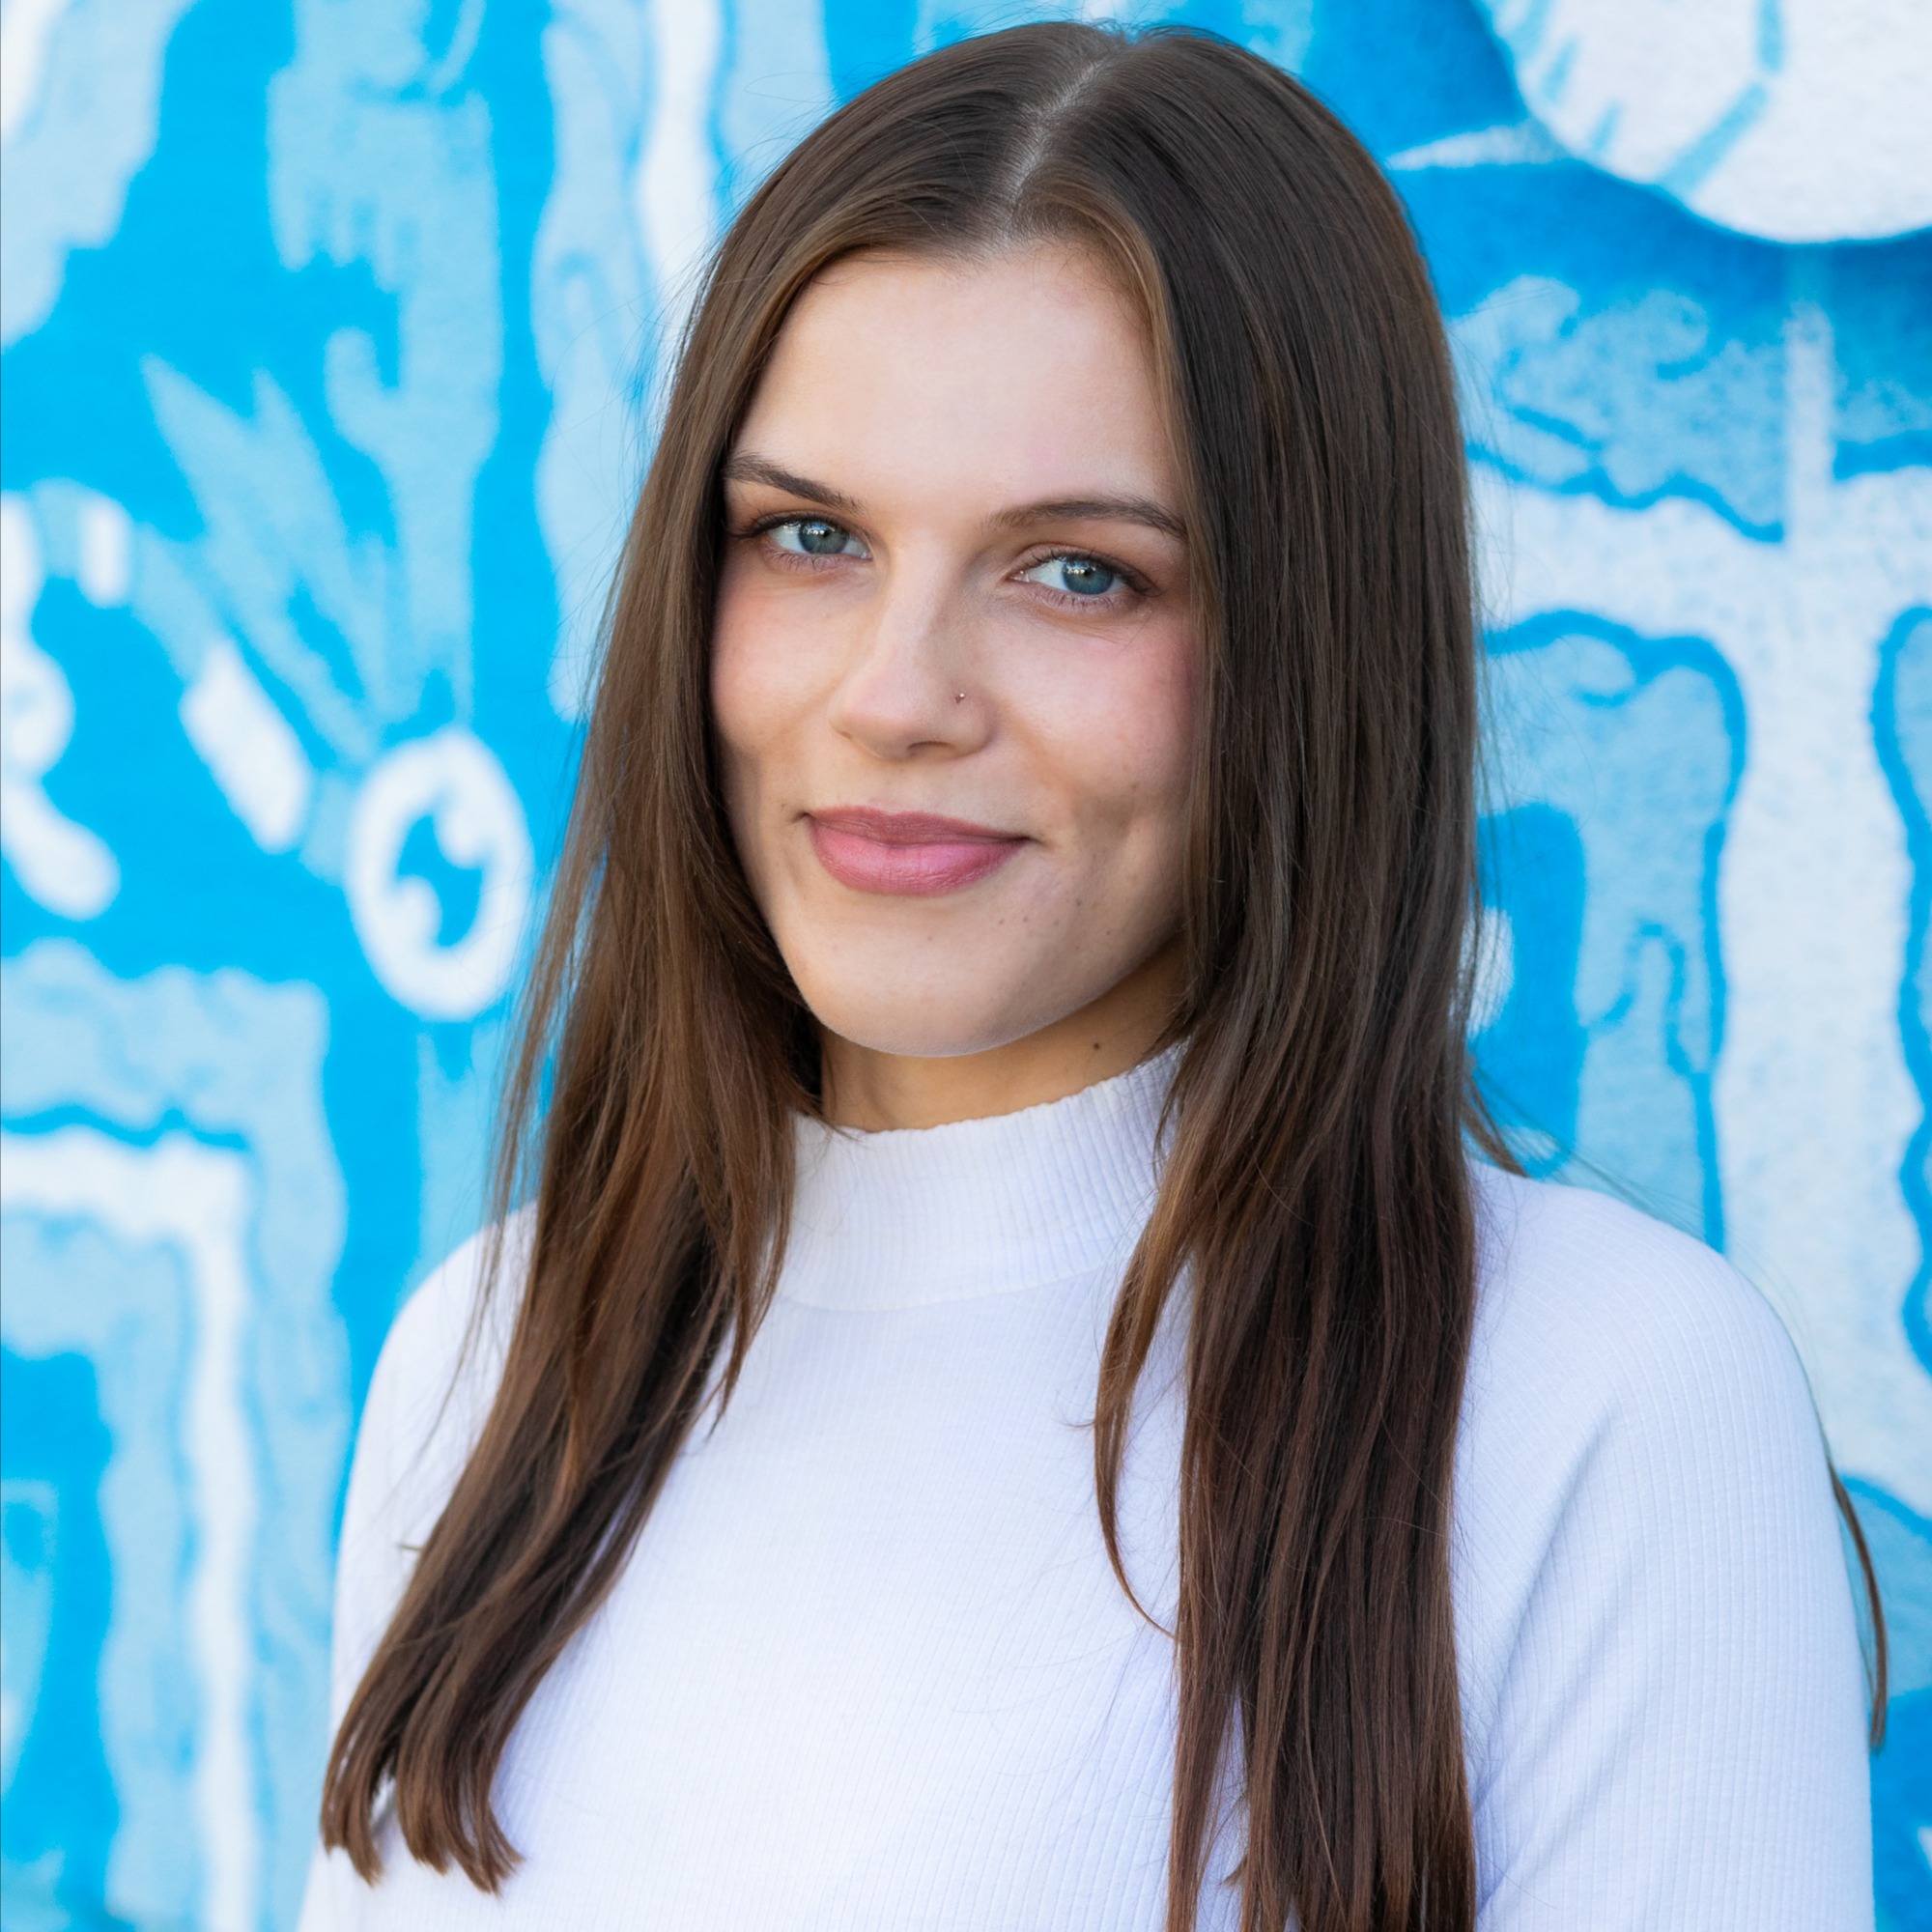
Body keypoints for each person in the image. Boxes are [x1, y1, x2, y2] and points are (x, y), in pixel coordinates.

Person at [299, 22, 1878, 1932]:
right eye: (808, 537)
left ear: (1302, 643)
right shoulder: (494, 1352)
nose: (891, 697)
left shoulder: (1600, 1395)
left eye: (1077, 574)